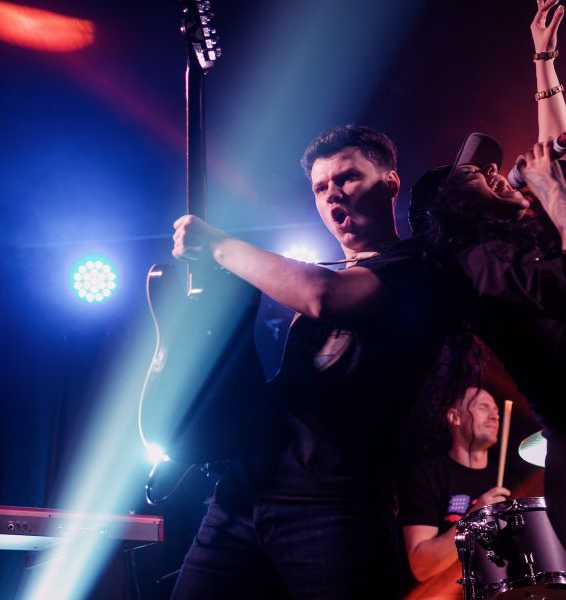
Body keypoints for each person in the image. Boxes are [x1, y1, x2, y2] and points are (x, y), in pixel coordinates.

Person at [169, 125, 457, 599]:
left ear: (390, 182)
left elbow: (322, 296)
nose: (332, 194)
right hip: (242, 498)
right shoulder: (330, 272)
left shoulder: (415, 267)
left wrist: (219, 245)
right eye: (321, 187)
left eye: (348, 178)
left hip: (334, 507)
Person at [408, 0, 566, 549]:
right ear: (454, 209)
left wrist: (543, 60)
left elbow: (558, 158)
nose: (497, 172)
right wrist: (552, 193)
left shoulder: (516, 243)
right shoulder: (480, 265)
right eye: (477, 173)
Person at [401, 386, 509, 589]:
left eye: (496, 410)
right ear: (455, 417)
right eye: (483, 407)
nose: (495, 416)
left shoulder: (508, 482)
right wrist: (474, 518)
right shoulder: (428, 475)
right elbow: (421, 567)